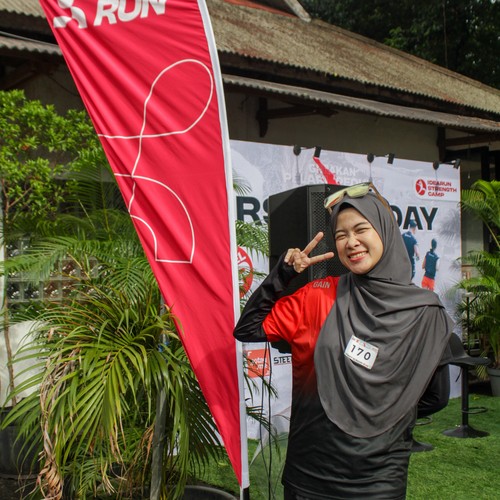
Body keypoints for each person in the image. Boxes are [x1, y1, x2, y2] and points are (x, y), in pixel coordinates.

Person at [234, 183, 453, 499]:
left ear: (385, 231)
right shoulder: (318, 296)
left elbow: (436, 396)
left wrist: (377, 415)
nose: (351, 242)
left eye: (361, 229)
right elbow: (248, 328)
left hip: (378, 482)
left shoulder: (425, 313)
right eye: (340, 235)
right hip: (309, 478)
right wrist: (282, 273)